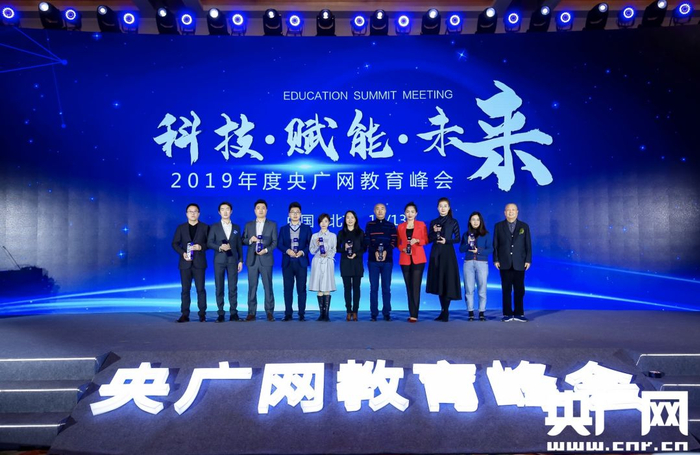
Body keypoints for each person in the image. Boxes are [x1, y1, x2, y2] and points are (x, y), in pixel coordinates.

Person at [493, 203, 532, 322]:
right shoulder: (498, 226)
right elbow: (495, 244)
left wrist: (528, 260)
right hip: (504, 262)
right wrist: (496, 259)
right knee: (506, 289)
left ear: (517, 212)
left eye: (513, 210)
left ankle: (519, 313)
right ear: (504, 213)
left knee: (519, 289)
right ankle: (507, 313)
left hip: (520, 262)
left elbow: (528, 245)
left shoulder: (524, 226)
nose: (511, 212)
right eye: (508, 210)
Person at [207, 202, 243, 323]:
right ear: (219, 212)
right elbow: (209, 242)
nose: (225, 211)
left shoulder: (236, 228)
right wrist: (220, 247)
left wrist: (240, 260)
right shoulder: (214, 227)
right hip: (219, 261)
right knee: (219, 287)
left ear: (231, 211)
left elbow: (239, 246)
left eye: (227, 209)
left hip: (232, 261)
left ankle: (234, 313)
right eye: (222, 209)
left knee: (233, 287)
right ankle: (221, 313)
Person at [172, 203, 208, 323]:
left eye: (195, 211)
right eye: (190, 211)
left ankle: (202, 314)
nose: (193, 213)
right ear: (186, 213)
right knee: (185, 290)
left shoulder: (205, 227)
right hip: (185, 263)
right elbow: (174, 243)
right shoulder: (181, 228)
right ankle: (185, 314)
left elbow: (210, 243)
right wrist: (182, 253)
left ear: (199, 213)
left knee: (200, 289)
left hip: (199, 263)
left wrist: (201, 247)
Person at [427, 197, 461, 322]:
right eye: (440, 206)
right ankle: (443, 310)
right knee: (439, 281)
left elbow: (457, 238)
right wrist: (433, 232)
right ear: (437, 208)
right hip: (436, 253)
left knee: (448, 281)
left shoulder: (453, 222)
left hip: (448, 253)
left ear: (449, 208)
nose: (443, 208)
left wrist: (447, 240)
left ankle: (446, 311)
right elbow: (429, 239)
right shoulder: (433, 222)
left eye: (445, 206)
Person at [242, 199, 278, 321]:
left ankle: (269, 312)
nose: (260, 210)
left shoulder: (272, 225)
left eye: (263, 208)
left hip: (266, 258)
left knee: (268, 286)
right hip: (252, 260)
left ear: (266, 210)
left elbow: (275, 242)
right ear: (254, 210)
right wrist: (250, 240)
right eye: (258, 208)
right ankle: (251, 312)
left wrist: (266, 250)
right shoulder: (248, 225)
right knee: (252, 287)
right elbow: (243, 240)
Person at [277, 202, 312, 321]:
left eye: (297, 212)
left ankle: (301, 314)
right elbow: (279, 244)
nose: (295, 214)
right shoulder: (284, 229)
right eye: (293, 212)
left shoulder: (306, 228)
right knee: (288, 289)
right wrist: (287, 251)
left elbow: (310, 245)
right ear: (289, 214)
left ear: (301, 214)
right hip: (288, 262)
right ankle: (288, 314)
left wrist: (302, 252)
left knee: (301, 289)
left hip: (301, 262)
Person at [364, 203, 398, 321]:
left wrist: (385, 252)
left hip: (387, 261)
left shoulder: (391, 225)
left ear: (385, 211)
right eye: (377, 209)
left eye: (382, 209)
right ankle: (374, 313)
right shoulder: (370, 225)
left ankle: (386, 312)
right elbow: (367, 241)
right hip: (373, 261)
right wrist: (375, 252)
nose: (380, 211)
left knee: (386, 287)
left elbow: (394, 241)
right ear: (374, 211)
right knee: (374, 288)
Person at [397, 202, 429, 323]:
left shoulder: (421, 225)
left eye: (412, 212)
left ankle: (414, 314)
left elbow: (426, 240)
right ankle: (411, 312)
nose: (410, 214)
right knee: (408, 287)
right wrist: (403, 249)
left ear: (416, 213)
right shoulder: (400, 226)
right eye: (407, 212)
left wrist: (418, 240)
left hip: (418, 258)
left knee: (416, 286)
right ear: (404, 213)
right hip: (405, 259)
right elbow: (398, 243)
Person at [459, 211, 492, 322]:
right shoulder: (466, 234)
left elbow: (490, 249)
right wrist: (467, 243)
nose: (475, 222)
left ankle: (482, 312)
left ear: (480, 221)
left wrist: (479, 251)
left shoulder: (486, 234)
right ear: (470, 221)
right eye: (473, 219)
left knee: (482, 288)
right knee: (469, 288)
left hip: (482, 263)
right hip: (468, 263)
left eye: (477, 220)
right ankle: (471, 312)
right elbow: (461, 249)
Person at [337, 210, 365, 321]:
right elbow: (336, 248)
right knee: (347, 288)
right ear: (345, 220)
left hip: (357, 263)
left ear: (355, 219)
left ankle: (355, 311)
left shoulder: (360, 233)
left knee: (357, 288)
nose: (350, 220)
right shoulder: (341, 233)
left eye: (352, 217)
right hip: (345, 263)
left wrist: (356, 254)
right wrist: (344, 249)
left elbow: (364, 248)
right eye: (347, 217)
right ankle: (348, 311)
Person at [309, 213, 337, 321]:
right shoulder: (314, 236)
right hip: (317, 261)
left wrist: (328, 254)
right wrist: (317, 245)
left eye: (325, 221)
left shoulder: (333, 236)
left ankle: (327, 314)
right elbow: (311, 251)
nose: (323, 223)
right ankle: (321, 314)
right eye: (321, 221)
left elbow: (334, 250)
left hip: (328, 261)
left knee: (327, 287)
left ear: (329, 222)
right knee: (319, 288)